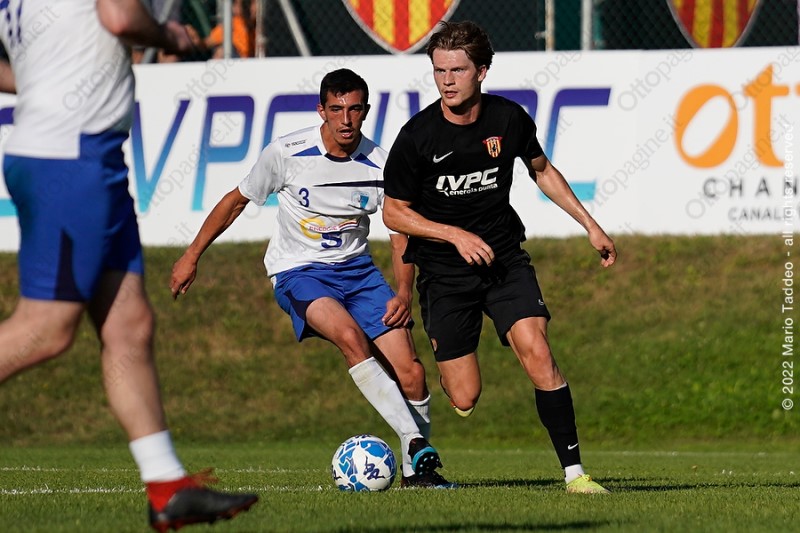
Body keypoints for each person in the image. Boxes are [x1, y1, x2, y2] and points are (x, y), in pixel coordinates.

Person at [0, 1, 258, 531]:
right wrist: (171, 36)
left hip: (82, 153)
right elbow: (120, 18)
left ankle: (166, 487)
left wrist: (43, 83)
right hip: (70, 157)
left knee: (129, 324)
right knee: (46, 328)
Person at [171, 68, 454, 489]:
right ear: (321, 109)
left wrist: (402, 292)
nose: (346, 119)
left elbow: (400, 235)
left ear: (366, 111)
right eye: (336, 109)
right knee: (350, 338)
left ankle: (419, 476)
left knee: (411, 372)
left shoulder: (382, 164)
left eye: (354, 109)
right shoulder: (287, 153)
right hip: (299, 272)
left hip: (359, 273)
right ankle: (414, 441)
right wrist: (191, 255)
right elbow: (235, 201)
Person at [382, 20, 618, 494]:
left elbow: (542, 170)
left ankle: (575, 475)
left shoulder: (508, 119)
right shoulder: (417, 136)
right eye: (439, 71)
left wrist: (590, 225)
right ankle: (449, 370)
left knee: (539, 352)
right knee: (465, 396)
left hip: (504, 261)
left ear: (482, 71)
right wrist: (453, 235)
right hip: (445, 275)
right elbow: (393, 213)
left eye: (457, 70)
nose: (447, 80)